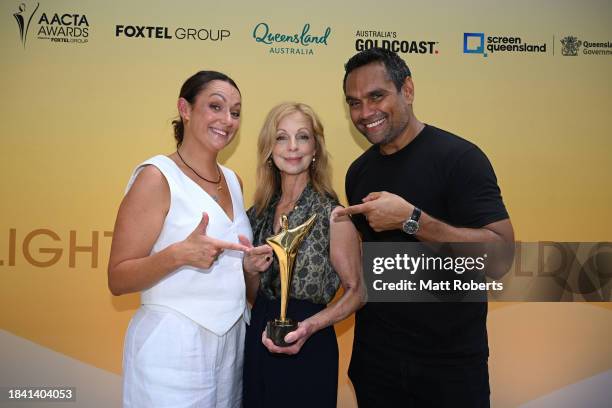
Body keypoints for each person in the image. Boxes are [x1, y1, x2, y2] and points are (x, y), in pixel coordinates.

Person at [336, 47, 514, 407]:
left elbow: (499, 257)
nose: (365, 112)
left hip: (449, 368)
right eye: (354, 102)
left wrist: (412, 220)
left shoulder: (460, 159)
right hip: (377, 365)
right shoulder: (358, 173)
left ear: (408, 90)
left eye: (376, 96)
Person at [107, 70, 254, 408]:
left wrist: (250, 265)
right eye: (215, 106)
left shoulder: (234, 181)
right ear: (185, 109)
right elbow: (117, 277)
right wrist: (179, 255)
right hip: (171, 349)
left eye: (235, 112)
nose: (227, 120)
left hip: (232, 345)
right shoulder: (157, 177)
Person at [242, 102, 366, 408]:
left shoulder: (333, 214)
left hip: (309, 343)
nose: (293, 147)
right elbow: (254, 297)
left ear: (316, 149)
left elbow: (358, 292)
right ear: (269, 149)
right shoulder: (256, 214)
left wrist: (310, 327)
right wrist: (250, 270)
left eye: (303, 137)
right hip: (259, 337)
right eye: (282, 137)